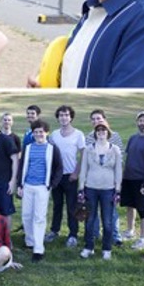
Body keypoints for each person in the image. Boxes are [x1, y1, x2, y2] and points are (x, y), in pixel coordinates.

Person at [16, 119, 64, 261]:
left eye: (41, 132)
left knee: (39, 217)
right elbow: (22, 166)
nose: (38, 134)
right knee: (26, 215)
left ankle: (38, 248)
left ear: (46, 132)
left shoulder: (52, 148)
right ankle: (30, 241)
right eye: (35, 132)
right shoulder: (29, 147)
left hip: (42, 187)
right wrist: (20, 184)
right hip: (28, 185)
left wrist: (52, 184)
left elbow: (59, 168)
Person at [79, 124, 122, 260]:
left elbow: (118, 171)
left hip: (108, 189)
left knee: (108, 221)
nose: (101, 132)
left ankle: (106, 248)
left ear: (108, 133)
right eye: (98, 131)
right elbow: (83, 169)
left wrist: (118, 190)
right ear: (95, 133)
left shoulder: (115, 149)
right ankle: (88, 247)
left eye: (103, 130)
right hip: (90, 188)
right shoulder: (88, 149)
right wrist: (81, 188)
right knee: (90, 219)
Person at [47, 105, 85, 247]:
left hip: (71, 176)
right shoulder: (54, 135)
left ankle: (73, 234)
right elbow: (49, 154)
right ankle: (54, 231)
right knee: (57, 205)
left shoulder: (78, 134)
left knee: (72, 206)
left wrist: (76, 172)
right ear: (58, 117)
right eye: (61, 115)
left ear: (71, 117)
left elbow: (83, 155)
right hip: (56, 176)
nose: (64, 117)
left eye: (66, 115)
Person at [122, 111, 144, 250]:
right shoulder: (132, 138)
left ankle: (143, 238)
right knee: (130, 205)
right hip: (128, 177)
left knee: (142, 209)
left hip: (141, 179)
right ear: (137, 122)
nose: (142, 123)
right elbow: (128, 156)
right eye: (140, 120)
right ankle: (130, 231)